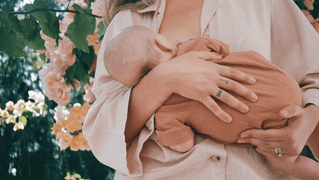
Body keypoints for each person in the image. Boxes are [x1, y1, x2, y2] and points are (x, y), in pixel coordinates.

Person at [83, 0, 319, 179]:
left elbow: (314, 73)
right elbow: (103, 131)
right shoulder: (127, 21)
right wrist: (165, 79)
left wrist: (308, 121)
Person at [103, 25, 301, 152]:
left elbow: (183, 145)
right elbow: (223, 49)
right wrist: (187, 44)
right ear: (161, 42)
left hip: (268, 130)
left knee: (286, 162)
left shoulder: (164, 113)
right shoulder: (194, 48)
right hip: (287, 87)